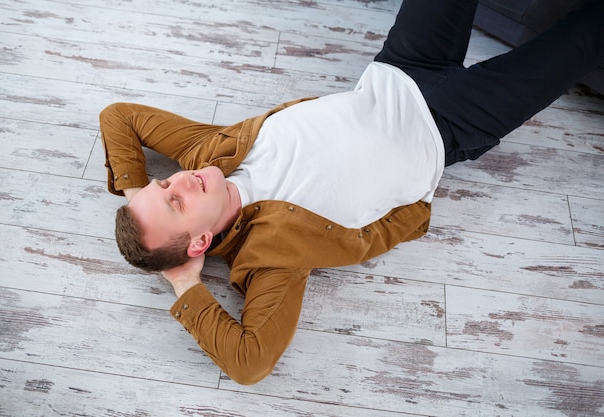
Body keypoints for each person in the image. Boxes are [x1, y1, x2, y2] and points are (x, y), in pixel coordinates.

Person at [99, 0, 604, 385]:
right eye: (175, 202)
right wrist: (185, 283)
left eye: (163, 182)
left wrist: (134, 191)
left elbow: (118, 117)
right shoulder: (273, 258)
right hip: (451, 123)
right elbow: (249, 363)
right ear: (199, 243)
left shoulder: (206, 153)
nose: (181, 180)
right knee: (586, 36)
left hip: (399, 67)